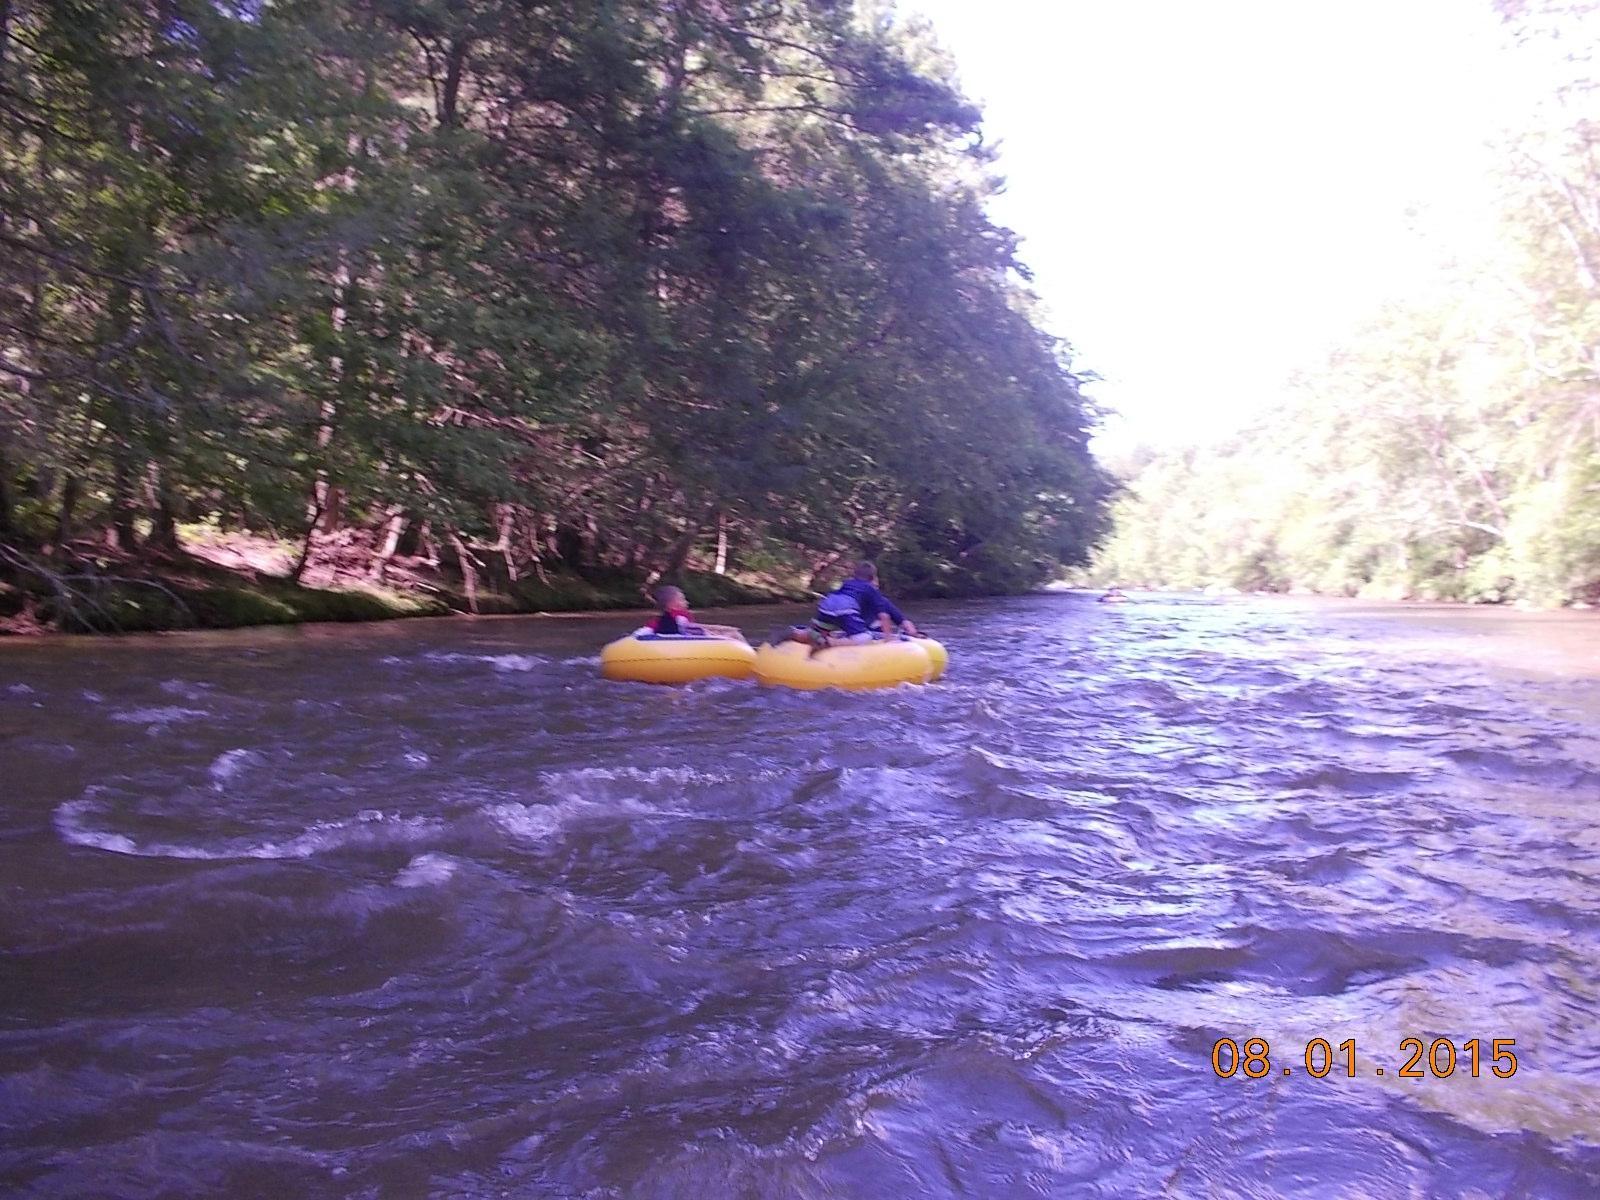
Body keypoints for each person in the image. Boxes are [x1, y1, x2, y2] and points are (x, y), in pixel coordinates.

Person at [786, 560, 918, 652]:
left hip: (828, 603)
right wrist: (889, 641)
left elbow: (905, 623)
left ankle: (798, 634)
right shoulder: (873, 593)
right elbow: (884, 617)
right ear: (873, 578)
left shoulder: (848, 583)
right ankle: (828, 643)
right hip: (846, 608)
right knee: (864, 638)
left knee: (822, 630)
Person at [639, 586, 704, 636]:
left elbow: (641, 632)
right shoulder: (680, 618)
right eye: (682, 600)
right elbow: (694, 629)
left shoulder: (656, 621)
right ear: (671, 605)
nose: (687, 602)